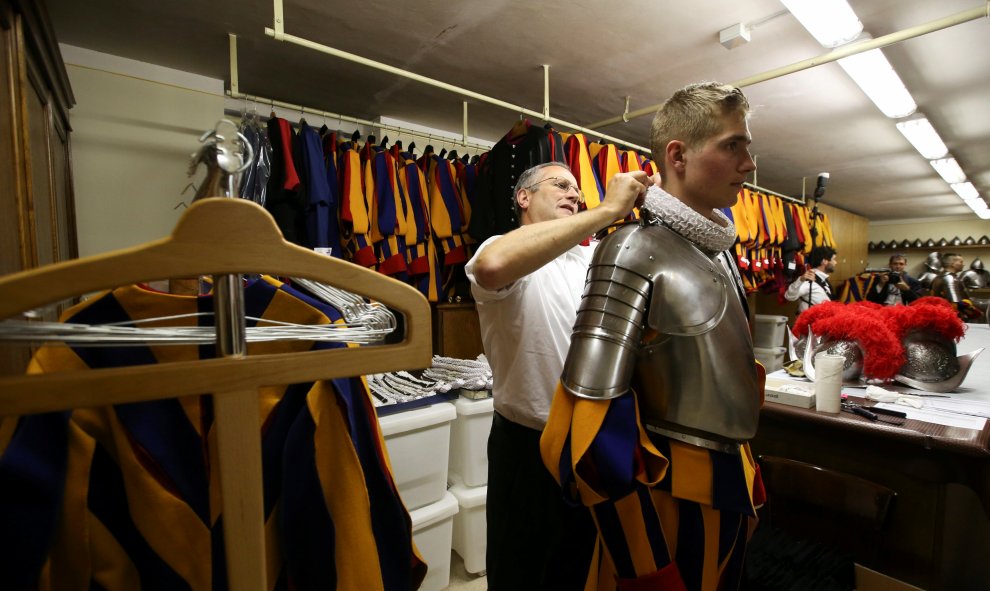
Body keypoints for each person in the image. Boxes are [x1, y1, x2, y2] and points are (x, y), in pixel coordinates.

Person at [541, 81, 764, 590]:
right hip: (663, 502)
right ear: (678, 155)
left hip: (727, 483)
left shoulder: (720, 248)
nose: (749, 165)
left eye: (748, 148)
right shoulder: (631, 248)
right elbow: (589, 426)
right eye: (733, 146)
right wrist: (643, 563)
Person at [465, 161, 651, 589]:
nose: (574, 194)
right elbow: (493, 266)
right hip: (528, 444)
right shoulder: (502, 248)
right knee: (522, 569)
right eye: (560, 185)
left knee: (583, 564)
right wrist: (606, 210)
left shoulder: (592, 256)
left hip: (595, 440)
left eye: (577, 189)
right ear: (523, 197)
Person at [784, 245, 838, 313]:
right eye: (833, 259)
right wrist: (800, 280)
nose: (836, 263)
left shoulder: (823, 279)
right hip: (811, 322)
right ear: (824, 261)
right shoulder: (809, 280)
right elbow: (789, 296)